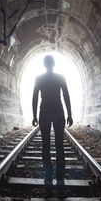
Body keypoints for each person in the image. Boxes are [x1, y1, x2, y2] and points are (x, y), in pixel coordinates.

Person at [32, 55, 73, 186]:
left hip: (44, 112)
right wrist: (70, 114)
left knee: (46, 146)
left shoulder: (39, 78)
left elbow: (34, 98)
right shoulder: (60, 77)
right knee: (59, 146)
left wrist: (34, 115)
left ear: (44, 65)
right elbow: (66, 95)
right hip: (58, 113)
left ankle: (48, 178)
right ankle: (60, 179)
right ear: (54, 64)